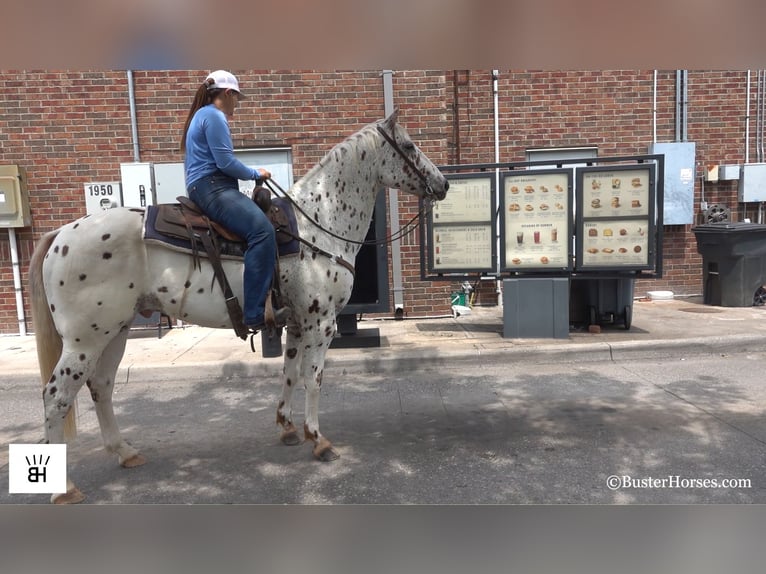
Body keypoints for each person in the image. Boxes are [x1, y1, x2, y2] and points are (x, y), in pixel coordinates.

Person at [181, 70, 290, 332]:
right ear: (227, 93)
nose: (236, 105)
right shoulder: (214, 116)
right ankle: (253, 313)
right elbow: (225, 163)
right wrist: (256, 173)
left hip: (206, 185)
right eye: (237, 98)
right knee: (262, 231)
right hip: (212, 187)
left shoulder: (202, 114)